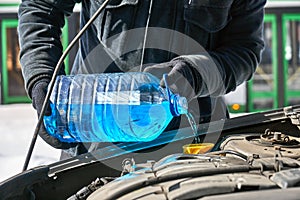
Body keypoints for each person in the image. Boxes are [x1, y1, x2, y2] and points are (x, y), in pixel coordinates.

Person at [18, 0, 267, 158]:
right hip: (96, 137)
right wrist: (42, 77)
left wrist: (194, 73)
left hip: (194, 146)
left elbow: (244, 51)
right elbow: (39, 8)